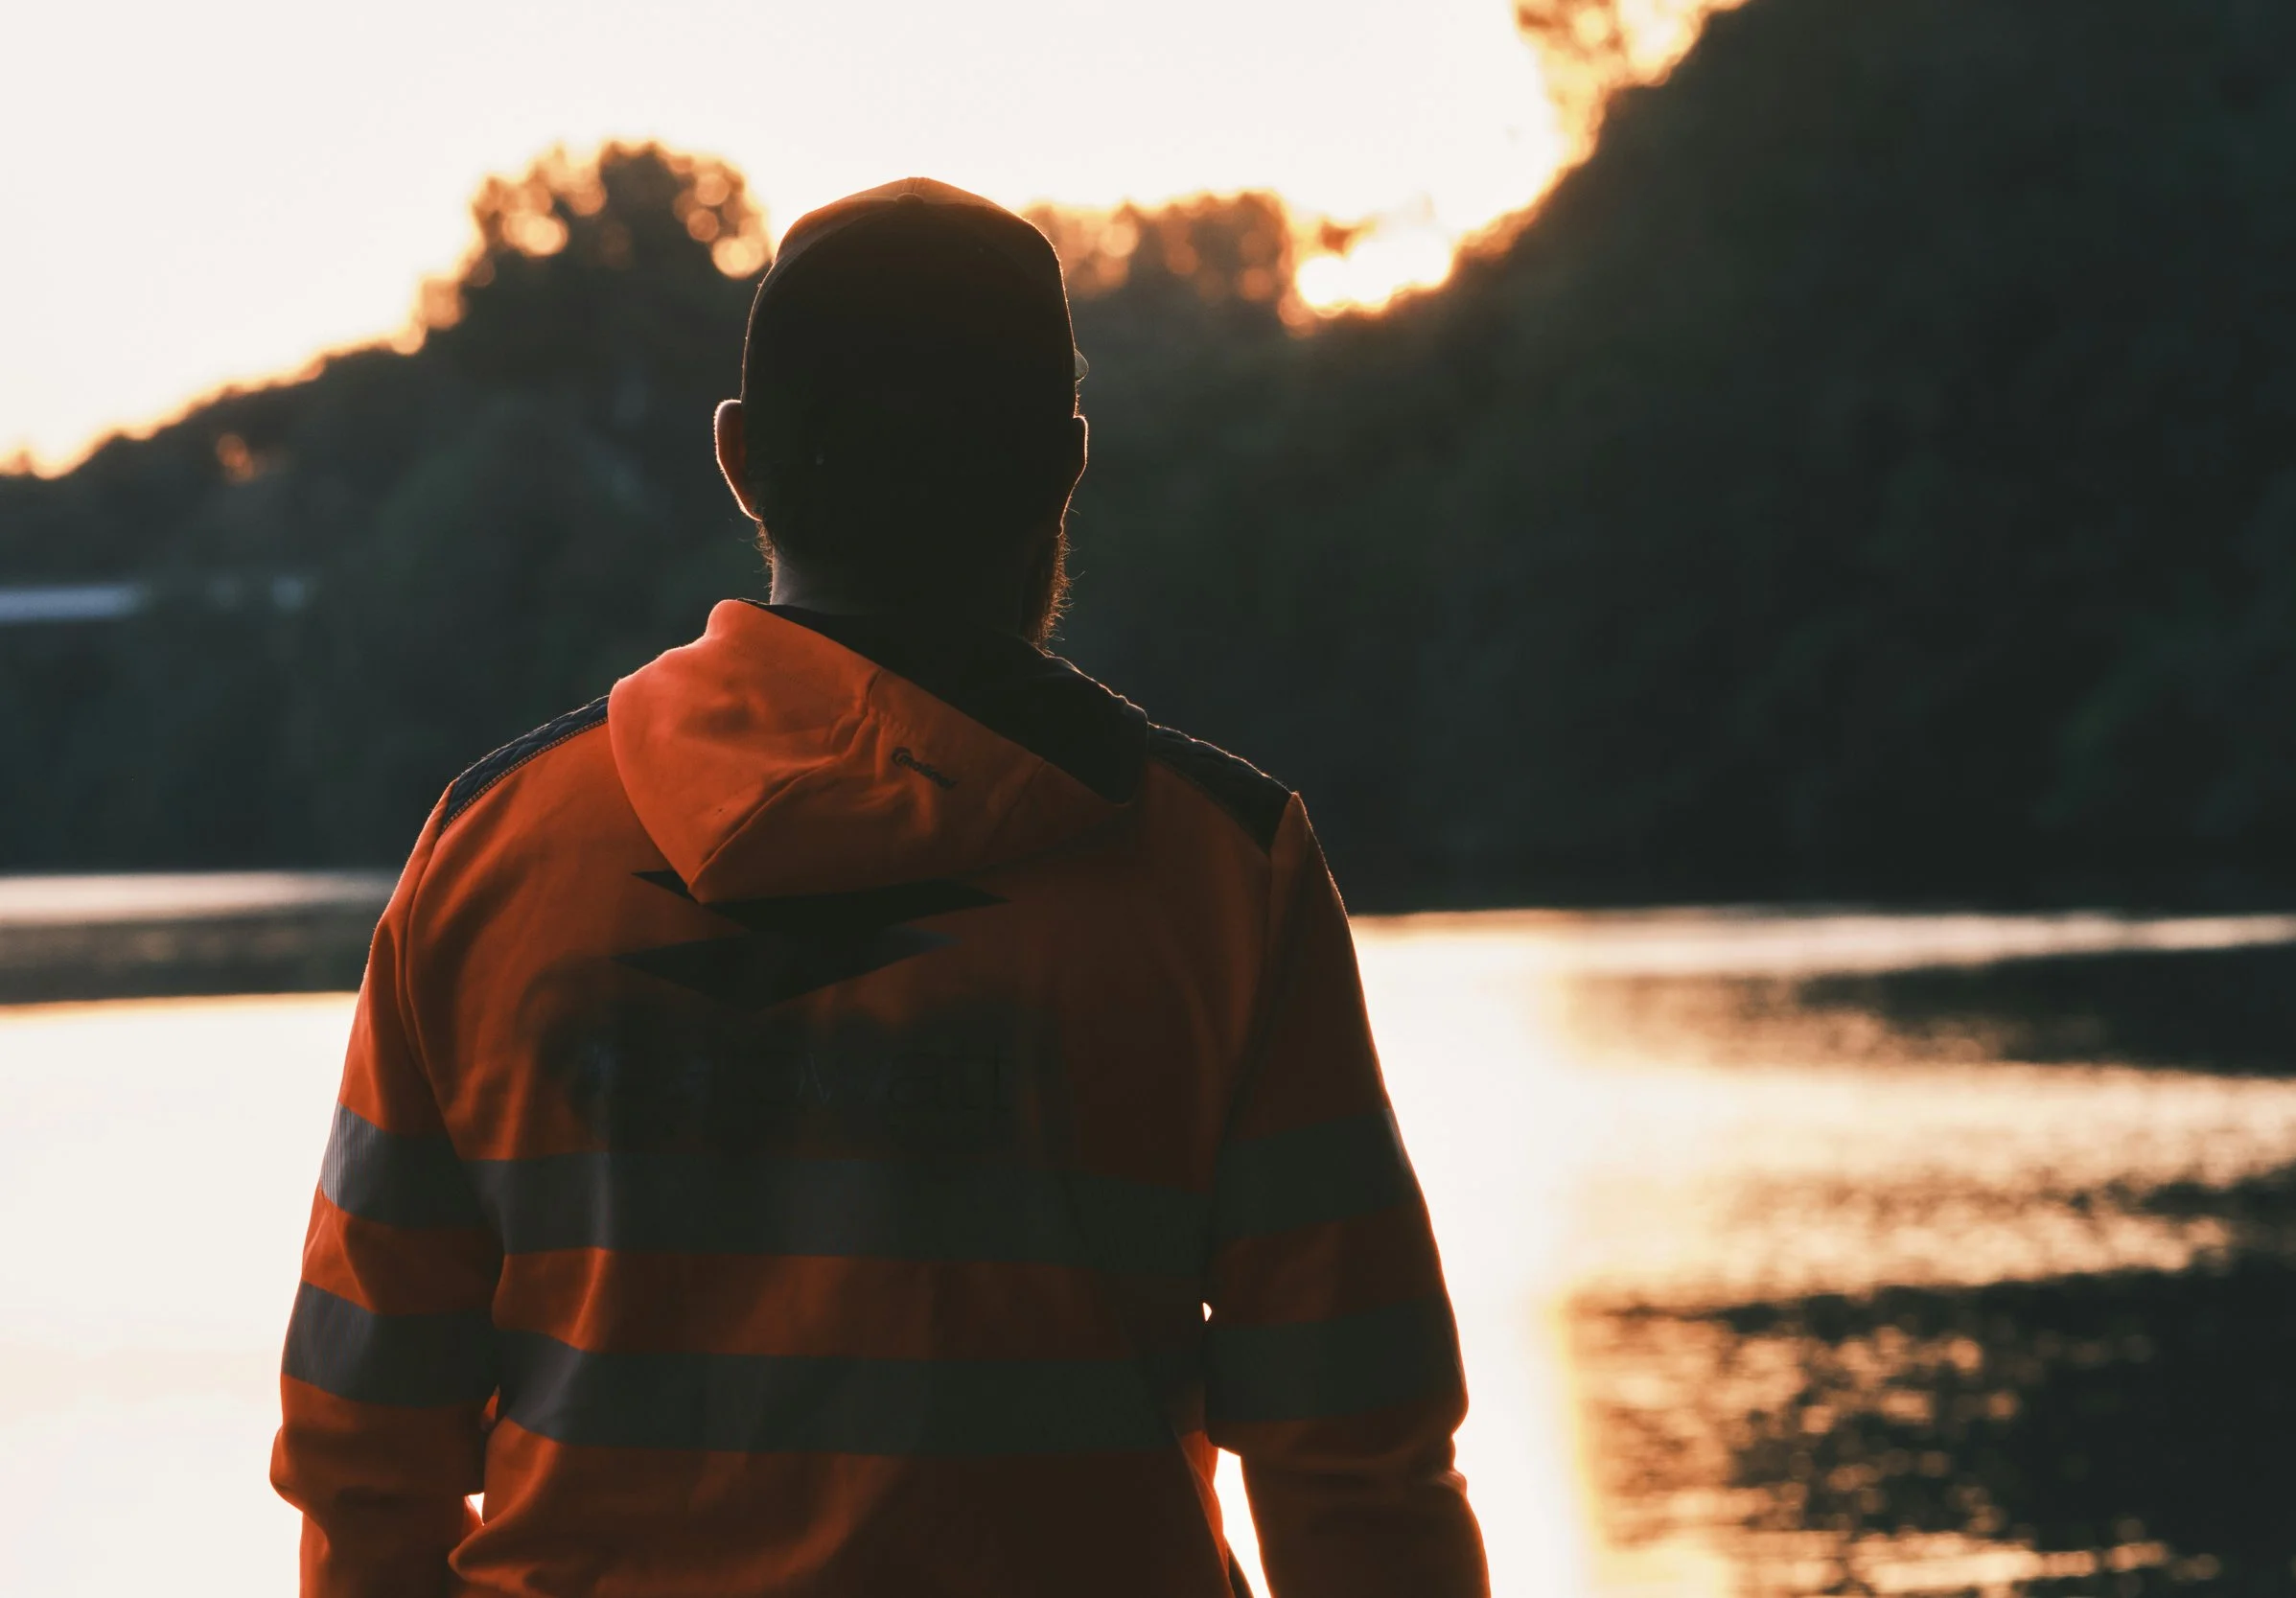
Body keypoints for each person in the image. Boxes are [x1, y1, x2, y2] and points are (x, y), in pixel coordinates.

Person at [270, 175, 1487, 1598]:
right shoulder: (1224, 872)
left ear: (739, 459)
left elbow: (365, 1446)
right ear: (1064, 462)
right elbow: (1355, 1464)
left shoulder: (493, 851)